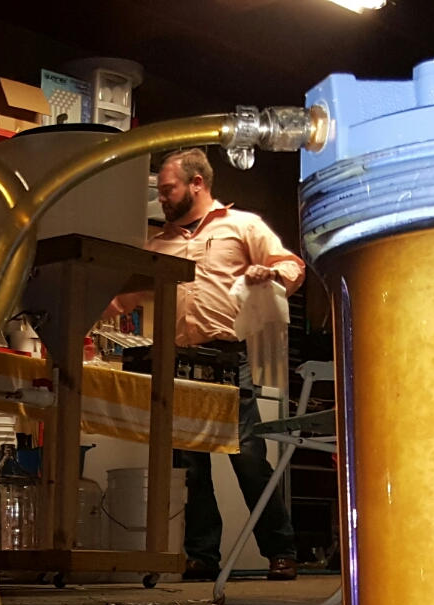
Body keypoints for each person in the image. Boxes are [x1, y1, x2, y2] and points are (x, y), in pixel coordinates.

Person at [114, 147, 306, 580]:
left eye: (168, 189)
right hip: (175, 363)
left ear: (197, 183)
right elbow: (118, 301)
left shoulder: (243, 226)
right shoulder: (157, 245)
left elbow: (292, 267)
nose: (162, 198)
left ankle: (282, 550)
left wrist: (271, 274)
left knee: (249, 459)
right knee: (189, 467)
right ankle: (202, 556)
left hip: (227, 359)